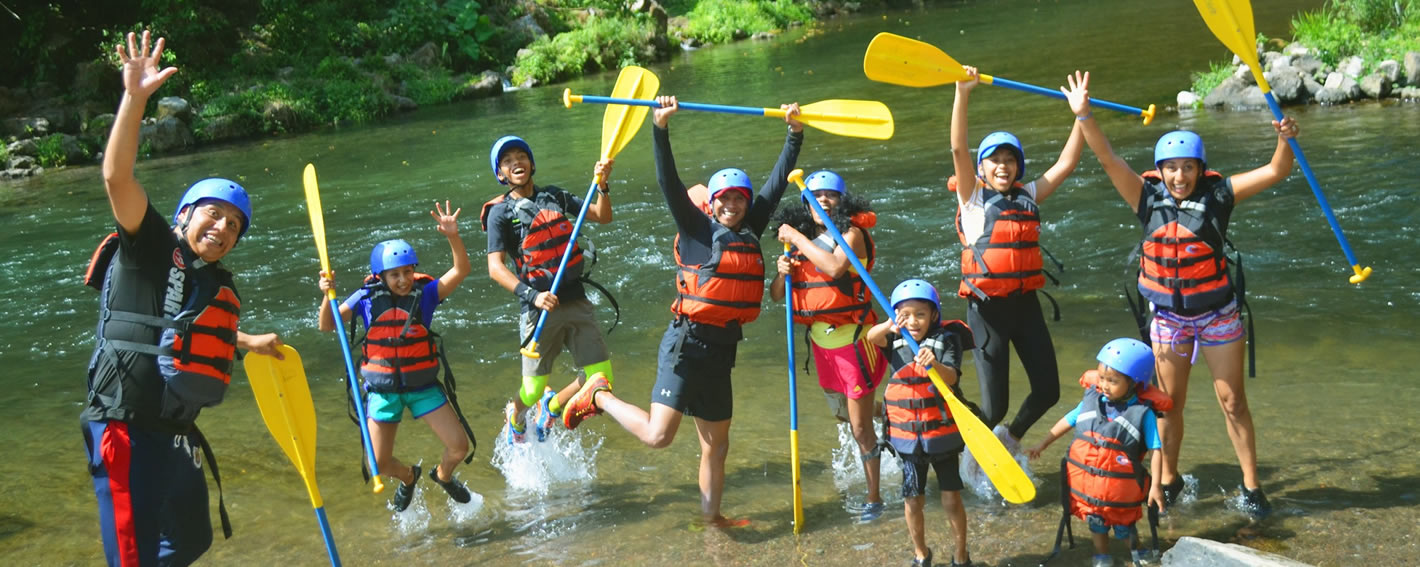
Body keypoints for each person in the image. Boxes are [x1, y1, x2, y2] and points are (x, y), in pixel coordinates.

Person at [82, 30, 284, 566]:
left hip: (175, 433)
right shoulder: (148, 245)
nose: (222, 227)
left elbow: (187, 332)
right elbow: (115, 175)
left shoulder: (213, 281)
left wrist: (245, 341)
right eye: (212, 214)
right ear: (184, 216)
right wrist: (136, 98)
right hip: (123, 424)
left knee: (190, 539)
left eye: (234, 224)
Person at [558, 95, 804, 526]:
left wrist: (794, 133)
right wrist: (660, 128)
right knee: (658, 436)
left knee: (717, 446)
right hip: (686, 344)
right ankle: (597, 394)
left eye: (739, 200)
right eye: (724, 200)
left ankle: (712, 520)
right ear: (711, 203)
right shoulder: (697, 229)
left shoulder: (748, 228)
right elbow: (668, 182)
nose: (732, 206)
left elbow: (777, 183)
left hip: (722, 351)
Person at [1064, 70, 1296, 518]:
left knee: (1232, 401)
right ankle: (1169, 479)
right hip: (1168, 317)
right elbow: (1108, 157)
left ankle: (1251, 486)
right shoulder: (1144, 197)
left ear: (1200, 169)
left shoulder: (1219, 195)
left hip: (1217, 315)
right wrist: (1085, 114)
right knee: (1168, 406)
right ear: (1160, 170)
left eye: (1188, 167)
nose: (1179, 175)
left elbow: (1276, 170)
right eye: (1171, 167)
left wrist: (1285, 139)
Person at [949, 66, 1085, 452]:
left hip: (1025, 306)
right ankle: (954, 448)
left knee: (1048, 390)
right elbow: (959, 148)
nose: (1003, 166)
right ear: (981, 169)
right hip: (987, 310)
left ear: (1018, 167)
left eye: (1010, 160)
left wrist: (1081, 116)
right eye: (994, 160)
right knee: (994, 407)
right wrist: (963, 93)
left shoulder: (1029, 196)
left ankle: (1009, 438)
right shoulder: (972, 199)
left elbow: (1067, 164)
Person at [317, 204, 475, 512]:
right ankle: (408, 477)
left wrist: (453, 237)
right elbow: (327, 324)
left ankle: (442, 476)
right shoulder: (365, 298)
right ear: (380, 276)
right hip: (383, 390)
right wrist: (327, 294)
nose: (403, 279)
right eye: (395, 275)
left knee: (459, 447)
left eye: (407, 272)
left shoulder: (426, 294)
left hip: (422, 387)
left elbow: (461, 271)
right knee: (378, 463)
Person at [769, 170, 888, 521]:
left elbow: (836, 268)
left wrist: (793, 236)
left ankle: (874, 497)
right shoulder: (801, 242)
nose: (823, 200)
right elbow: (778, 296)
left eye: (830, 196)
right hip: (821, 348)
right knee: (844, 416)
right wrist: (781, 271)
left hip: (854, 343)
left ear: (842, 202)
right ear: (806, 203)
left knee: (860, 428)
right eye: (815, 195)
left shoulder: (852, 234)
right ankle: (897, 411)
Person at [481, 135, 617, 444]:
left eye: (521, 156)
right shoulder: (499, 214)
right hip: (538, 309)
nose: (516, 162)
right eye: (507, 160)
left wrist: (603, 185)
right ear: (500, 173)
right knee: (530, 390)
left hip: (575, 299)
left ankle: (552, 407)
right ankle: (514, 414)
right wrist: (533, 295)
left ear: (531, 163)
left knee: (599, 378)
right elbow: (495, 268)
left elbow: (603, 216)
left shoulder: (556, 196)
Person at [1025, 338, 1168, 567]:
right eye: (1101, 378)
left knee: (1125, 527)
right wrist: (1043, 443)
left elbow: (1156, 449)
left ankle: (1138, 551)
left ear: (1134, 383)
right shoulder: (1092, 402)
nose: (1104, 385)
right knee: (1096, 524)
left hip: (1119, 493)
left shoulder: (1142, 414)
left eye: (1113, 381)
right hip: (1091, 490)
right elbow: (1068, 420)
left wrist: (1156, 486)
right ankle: (1102, 557)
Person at [867, 279, 976, 567]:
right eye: (906, 315)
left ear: (934, 316)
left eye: (921, 314)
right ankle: (920, 553)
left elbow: (951, 378)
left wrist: (934, 365)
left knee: (951, 498)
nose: (913, 321)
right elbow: (870, 337)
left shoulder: (946, 340)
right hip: (908, 438)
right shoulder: (894, 336)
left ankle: (961, 555)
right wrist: (890, 325)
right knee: (913, 500)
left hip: (942, 435)